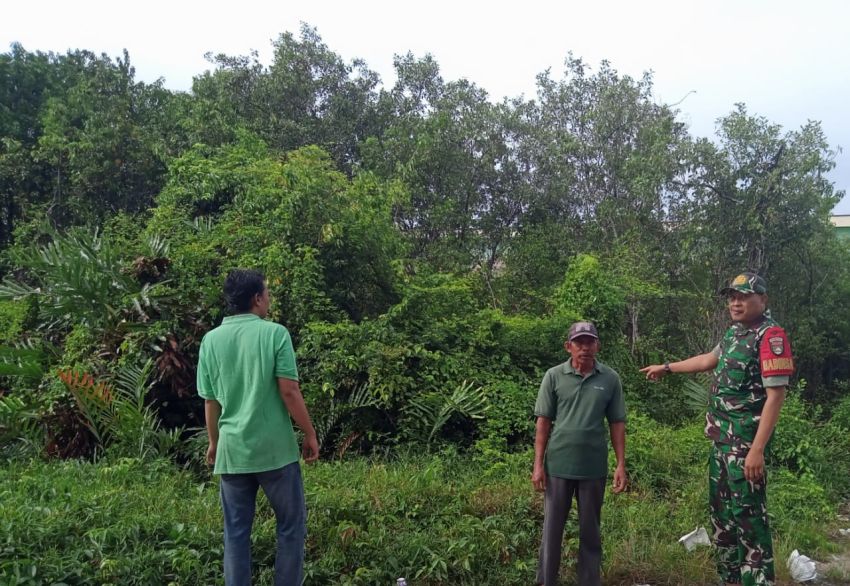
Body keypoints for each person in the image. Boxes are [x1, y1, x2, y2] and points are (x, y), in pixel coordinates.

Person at [641, 272, 793, 586]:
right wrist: (667, 368)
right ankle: (730, 580)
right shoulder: (735, 333)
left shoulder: (771, 336)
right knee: (722, 518)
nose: (735, 302)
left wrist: (757, 450)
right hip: (721, 444)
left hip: (745, 448)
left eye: (743, 296)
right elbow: (708, 360)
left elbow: (776, 396)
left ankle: (758, 582)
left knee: (749, 519)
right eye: (731, 297)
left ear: (762, 300)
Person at [197, 269, 319, 586]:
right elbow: (289, 392)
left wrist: (214, 442)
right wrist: (309, 433)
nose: (268, 299)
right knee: (291, 527)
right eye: (267, 293)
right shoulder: (275, 334)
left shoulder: (210, 341)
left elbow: (211, 402)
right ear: (257, 298)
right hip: (275, 452)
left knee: (236, 534)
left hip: (233, 452)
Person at [533, 321, 628, 586]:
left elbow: (617, 423)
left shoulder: (610, 378)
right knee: (552, 531)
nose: (585, 348)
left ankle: (588, 581)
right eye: (579, 342)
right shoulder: (554, 376)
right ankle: (546, 581)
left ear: (597, 345)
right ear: (569, 346)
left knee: (590, 531)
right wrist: (538, 465)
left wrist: (621, 464)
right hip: (559, 466)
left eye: (590, 342)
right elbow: (543, 422)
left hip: (593, 468)